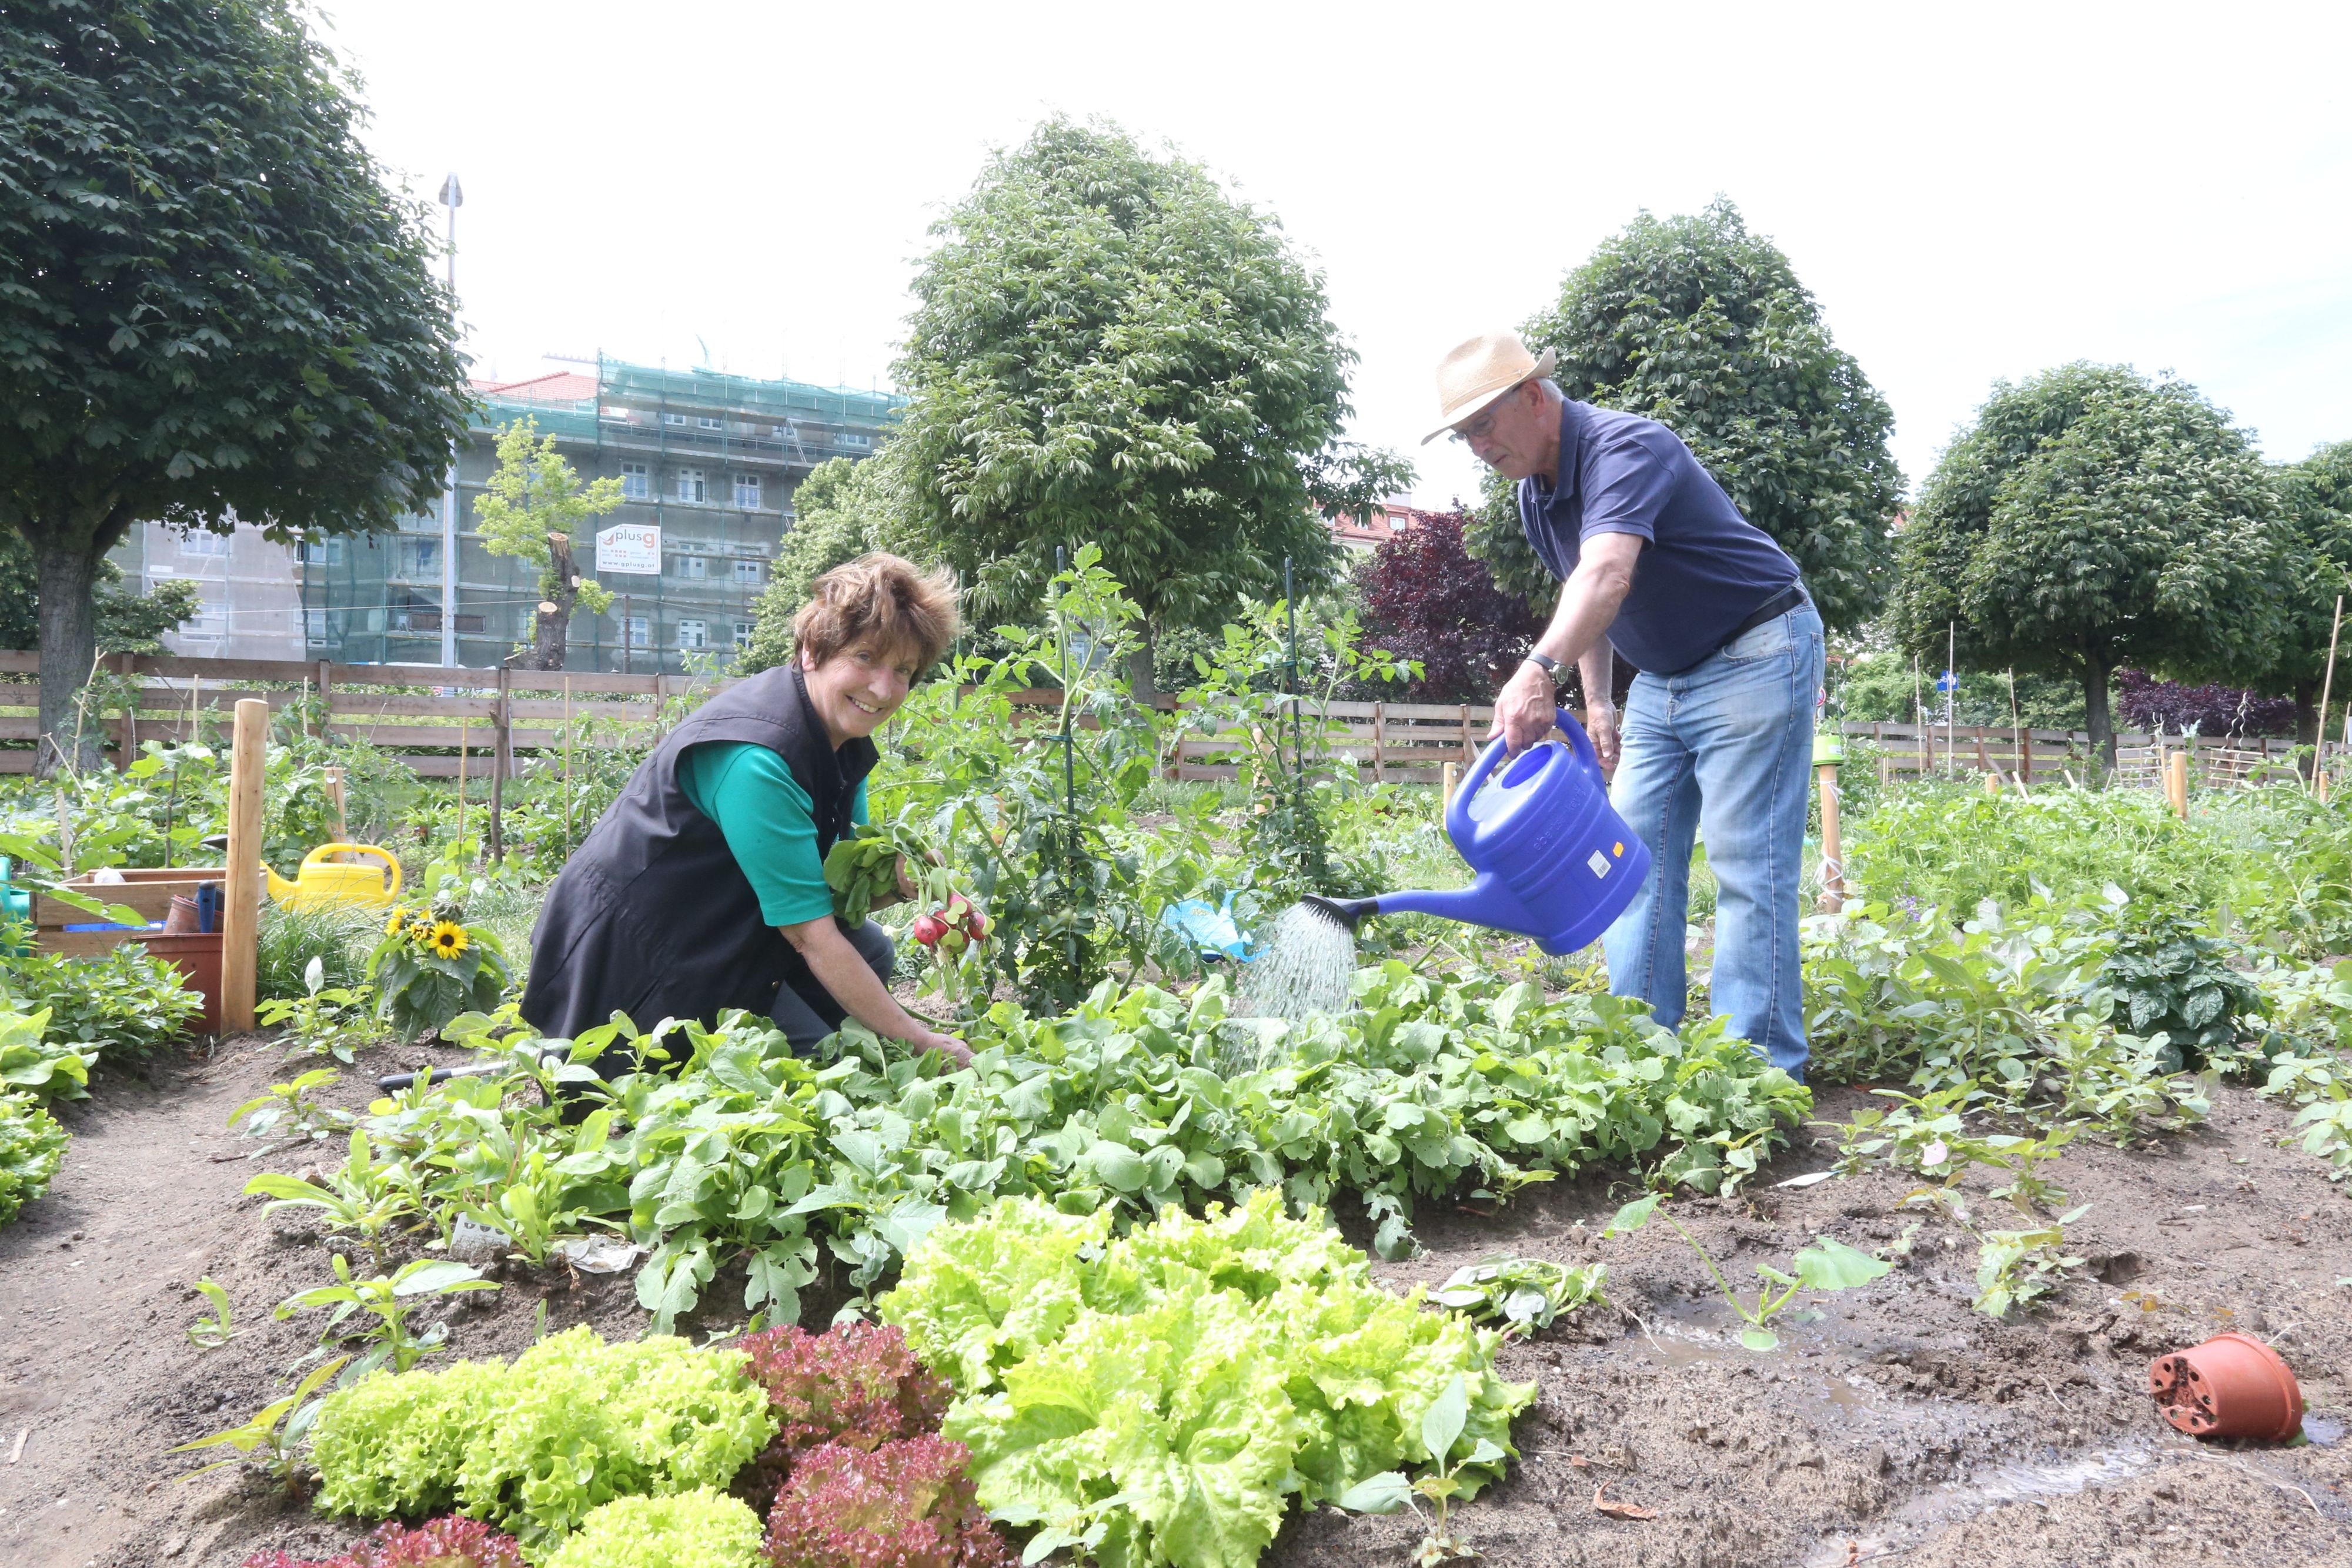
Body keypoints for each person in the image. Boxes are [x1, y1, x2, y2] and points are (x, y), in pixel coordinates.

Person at [1428, 332, 1823, 1079]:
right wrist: (1598, 698)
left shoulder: (1627, 447)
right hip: (1664, 680)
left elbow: (1608, 572)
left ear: (1535, 398)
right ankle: (1641, 1053)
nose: (1477, 444)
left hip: (1757, 649)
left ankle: (1758, 1078)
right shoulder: (1533, 497)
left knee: (1747, 864)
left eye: (1484, 422)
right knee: (1627, 860)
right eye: (1463, 434)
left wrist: (1538, 667)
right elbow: (1586, 593)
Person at [522, 553, 973, 1068]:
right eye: (866, 657)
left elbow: (830, 892)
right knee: (809, 1070)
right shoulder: (757, 760)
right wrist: (921, 1040)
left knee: (870, 953)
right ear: (812, 650)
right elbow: (810, 935)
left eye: (903, 670)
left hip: (721, 925)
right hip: (637, 954)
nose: (884, 688)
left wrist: (899, 881)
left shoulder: (842, 738)